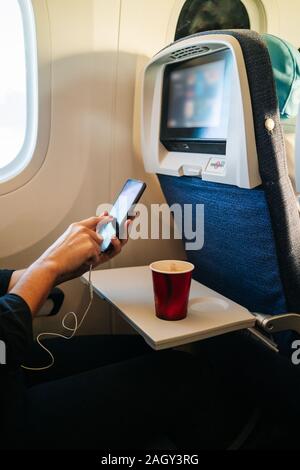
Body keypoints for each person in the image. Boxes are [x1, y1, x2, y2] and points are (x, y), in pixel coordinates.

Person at [0, 213, 199, 450]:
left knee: (144, 349)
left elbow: (7, 285)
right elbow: (7, 338)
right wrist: (50, 265)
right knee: (183, 373)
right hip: (9, 420)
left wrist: (66, 263)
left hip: (10, 367)